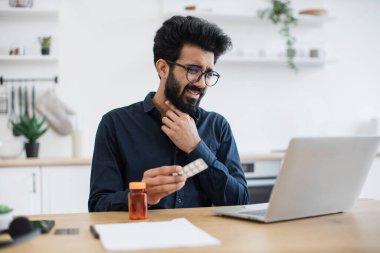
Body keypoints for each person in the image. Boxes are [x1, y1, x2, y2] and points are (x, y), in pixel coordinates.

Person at [88, 15, 249, 212]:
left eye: (208, 73)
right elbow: (98, 206)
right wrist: (142, 196)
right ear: (163, 68)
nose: (201, 83)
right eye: (193, 70)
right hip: (141, 240)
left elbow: (240, 202)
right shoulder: (115, 124)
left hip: (203, 240)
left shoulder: (217, 126)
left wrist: (196, 147)